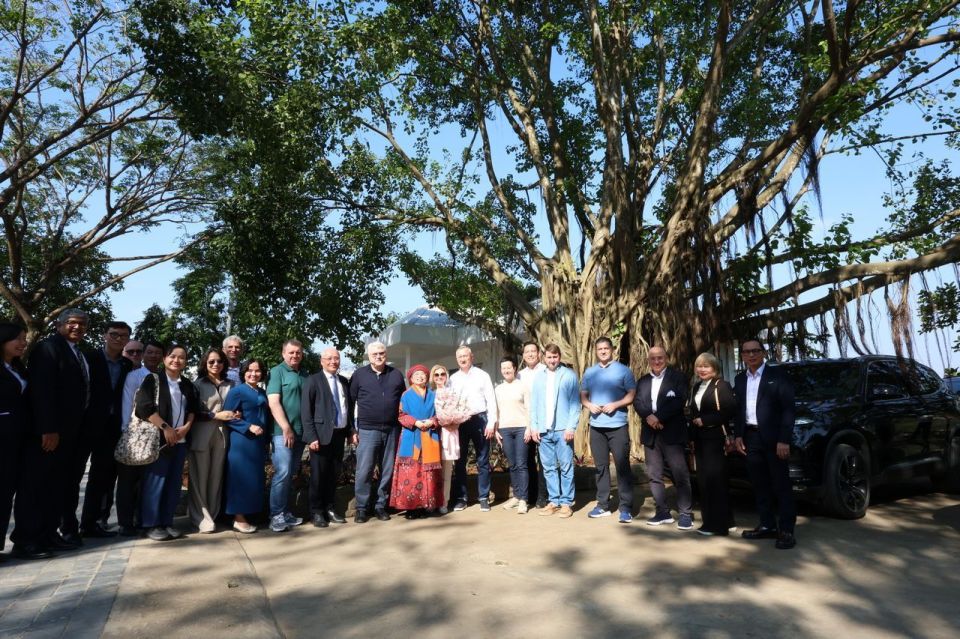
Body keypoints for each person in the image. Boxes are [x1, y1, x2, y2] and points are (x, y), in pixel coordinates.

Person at [12, 308, 93, 555]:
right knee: (36, 487)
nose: (77, 327)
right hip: (48, 434)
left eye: (82, 324)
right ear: (59, 325)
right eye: (72, 322)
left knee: (56, 486)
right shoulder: (48, 348)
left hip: (69, 434)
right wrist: (48, 428)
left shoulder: (77, 352)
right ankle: (26, 539)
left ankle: (48, 534)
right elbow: (42, 391)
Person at [733, 339, 798, 550]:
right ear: (742, 355)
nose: (751, 355)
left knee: (781, 484)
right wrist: (738, 435)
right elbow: (739, 410)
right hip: (751, 438)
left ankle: (786, 530)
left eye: (755, 351)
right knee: (759, 484)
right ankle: (767, 525)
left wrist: (784, 439)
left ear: (763, 353)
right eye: (746, 352)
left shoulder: (777, 376)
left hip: (774, 438)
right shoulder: (740, 379)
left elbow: (788, 409)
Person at [137, 344, 200, 541]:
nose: (176, 360)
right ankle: (151, 524)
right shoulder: (153, 379)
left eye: (181, 357)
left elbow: (193, 409)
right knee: (156, 482)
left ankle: (166, 522)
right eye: (172, 356)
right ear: (164, 359)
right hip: (160, 440)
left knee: (173, 484)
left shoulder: (187, 384)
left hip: (180, 441)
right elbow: (144, 407)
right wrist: (166, 428)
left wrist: (186, 427)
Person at [79, 321, 133, 538]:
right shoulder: (88, 358)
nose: (118, 339)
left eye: (123, 336)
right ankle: (65, 526)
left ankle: (90, 523)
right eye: (114, 334)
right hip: (85, 424)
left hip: (111, 427)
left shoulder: (127, 365)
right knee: (72, 477)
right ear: (105, 335)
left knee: (101, 477)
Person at [633, 346, 693, 530]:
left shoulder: (678, 377)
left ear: (666, 358)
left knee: (680, 474)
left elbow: (679, 401)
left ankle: (685, 513)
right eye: (653, 358)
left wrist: (658, 417)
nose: (657, 361)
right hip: (651, 435)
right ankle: (662, 512)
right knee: (654, 475)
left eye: (660, 357)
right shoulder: (643, 381)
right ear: (648, 360)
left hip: (672, 433)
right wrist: (649, 417)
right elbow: (638, 402)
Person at [581, 336, 637, 523]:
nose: (603, 351)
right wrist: (589, 405)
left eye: (606, 348)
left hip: (617, 426)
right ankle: (603, 505)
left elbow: (631, 394)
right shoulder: (590, 372)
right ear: (596, 351)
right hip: (597, 427)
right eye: (600, 349)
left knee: (622, 467)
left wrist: (616, 404)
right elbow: (583, 395)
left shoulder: (623, 370)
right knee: (601, 468)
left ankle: (625, 508)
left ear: (612, 350)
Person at [350, 341, 405, 523]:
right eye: (375, 354)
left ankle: (381, 505)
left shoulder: (396, 374)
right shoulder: (359, 375)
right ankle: (361, 508)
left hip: (391, 429)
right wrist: (352, 428)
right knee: (364, 470)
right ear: (369, 356)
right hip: (367, 429)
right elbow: (350, 403)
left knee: (387, 470)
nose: (379, 356)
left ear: (386, 354)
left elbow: (403, 401)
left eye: (382, 353)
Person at [300, 348, 354, 528]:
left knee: (333, 475)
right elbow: (306, 411)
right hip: (320, 437)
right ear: (321, 361)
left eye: (336, 358)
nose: (333, 361)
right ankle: (316, 512)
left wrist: (351, 431)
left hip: (339, 435)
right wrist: (311, 437)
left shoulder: (344, 381)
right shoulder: (313, 380)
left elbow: (348, 409)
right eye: (329, 358)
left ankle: (330, 508)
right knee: (318, 476)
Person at [116, 340, 163, 536]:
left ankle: (142, 520)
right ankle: (126, 523)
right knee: (128, 482)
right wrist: (126, 432)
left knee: (146, 483)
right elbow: (127, 404)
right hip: (134, 436)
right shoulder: (134, 376)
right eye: (149, 352)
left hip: (155, 437)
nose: (153, 356)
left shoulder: (162, 377)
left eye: (157, 353)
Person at [688, 352, 737, 536]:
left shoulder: (721, 386)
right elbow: (693, 414)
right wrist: (691, 438)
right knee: (705, 481)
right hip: (700, 440)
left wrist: (706, 420)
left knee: (715, 481)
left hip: (716, 439)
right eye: (699, 366)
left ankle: (716, 526)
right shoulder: (696, 387)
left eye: (706, 366)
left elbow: (730, 410)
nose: (702, 369)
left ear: (714, 368)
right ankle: (727, 521)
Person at [189, 347, 237, 533]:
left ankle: (213, 514)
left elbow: (236, 406)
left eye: (219, 361)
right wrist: (215, 415)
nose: (216, 364)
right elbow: (191, 411)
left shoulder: (231, 384)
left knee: (216, 478)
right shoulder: (197, 384)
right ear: (205, 364)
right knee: (199, 477)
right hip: (201, 435)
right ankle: (200, 517)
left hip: (223, 436)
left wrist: (236, 414)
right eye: (211, 361)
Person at [529, 344, 580, 518]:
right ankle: (554, 501)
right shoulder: (539, 377)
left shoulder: (569, 375)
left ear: (559, 357)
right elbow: (534, 404)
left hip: (562, 429)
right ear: (544, 358)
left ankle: (566, 503)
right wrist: (534, 426)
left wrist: (571, 426)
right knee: (549, 468)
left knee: (565, 466)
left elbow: (575, 404)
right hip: (544, 430)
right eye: (549, 357)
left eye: (555, 357)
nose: (552, 360)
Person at [0, 324, 36, 559]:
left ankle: (16, 542)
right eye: (18, 339)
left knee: (10, 493)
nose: (23, 343)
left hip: (19, 439)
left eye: (24, 339)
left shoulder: (18, 368)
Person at [448, 346, 498, 512]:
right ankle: (461, 498)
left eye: (465, 356)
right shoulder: (453, 379)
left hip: (480, 419)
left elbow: (491, 399)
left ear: (472, 357)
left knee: (483, 460)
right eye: (460, 357)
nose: (463, 359)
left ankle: (483, 497)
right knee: (460, 460)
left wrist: (491, 422)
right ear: (457, 359)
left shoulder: (482, 375)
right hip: (460, 422)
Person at [390, 365, 444, 518]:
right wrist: (416, 422)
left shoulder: (433, 395)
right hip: (412, 435)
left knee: (429, 473)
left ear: (427, 377)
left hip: (429, 435)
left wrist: (432, 421)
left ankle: (427, 506)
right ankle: (411, 508)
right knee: (411, 472)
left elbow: (440, 414)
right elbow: (401, 415)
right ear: (411, 379)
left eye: (423, 374)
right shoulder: (406, 395)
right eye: (416, 375)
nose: (420, 377)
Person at [267, 339, 309, 533]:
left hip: (300, 432)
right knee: (282, 472)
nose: (294, 355)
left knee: (290, 473)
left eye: (298, 352)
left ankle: (285, 512)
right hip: (282, 433)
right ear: (283, 353)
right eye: (291, 352)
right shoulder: (277, 372)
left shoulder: (304, 374)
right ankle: (275, 515)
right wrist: (286, 427)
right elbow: (273, 402)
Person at [223, 359, 270, 533]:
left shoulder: (262, 391)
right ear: (243, 372)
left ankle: (250, 514)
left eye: (257, 371)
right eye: (250, 370)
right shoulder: (237, 391)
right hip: (242, 441)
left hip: (258, 442)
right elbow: (227, 416)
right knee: (240, 479)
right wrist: (247, 426)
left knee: (253, 479)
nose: (253, 374)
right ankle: (238, 518)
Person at [495, 357, 531, 514]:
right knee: (512, 464)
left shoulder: (523, 386)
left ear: (515, 368)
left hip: (522, 428)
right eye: (503, 368)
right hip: (504, 429)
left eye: (508, 367)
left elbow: (529, 408)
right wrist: (496, 429)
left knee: (522, 464)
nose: (506, 370)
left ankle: (523, 499)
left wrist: (529, 428)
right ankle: (516, 496)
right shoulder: (498, 389)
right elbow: (495, 410)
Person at [517, 341, 547, 508]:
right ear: (523, 355)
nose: (530, 354)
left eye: (533, 351)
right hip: (526, 423)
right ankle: (531, 494)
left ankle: (543, 496)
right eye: (527, 351)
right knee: (527, 460)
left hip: (543, 421)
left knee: (544, 461)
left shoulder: (546, 370)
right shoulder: (519, 375)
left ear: (539, 354)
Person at [429, 364, 459, 515]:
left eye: (443, 374)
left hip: (448, 433)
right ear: (432, 378)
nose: (440, 377)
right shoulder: (429, 394)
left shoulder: (453, 393)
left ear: (447, 376)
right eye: (437, 375)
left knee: (447, 471)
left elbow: (459, 410)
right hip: (432, 434)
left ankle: (444, 502)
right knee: (433, 471)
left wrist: (455, 421)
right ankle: (432, 501)